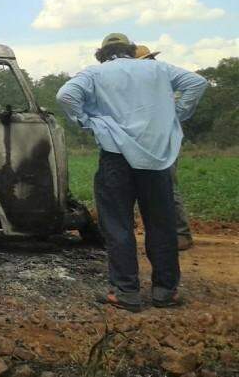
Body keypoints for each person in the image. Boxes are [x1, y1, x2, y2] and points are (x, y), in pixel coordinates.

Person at [56, 33, 207, 312]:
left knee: (118, 225)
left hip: (116, 157)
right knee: (161, 225)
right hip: (157, 160)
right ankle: (165, 292)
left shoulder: (95, 73)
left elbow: (66, 95)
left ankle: (126, 292)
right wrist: (177, 114)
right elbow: (196, 83)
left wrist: (88, 122)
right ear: (131, 50)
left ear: (102, 54)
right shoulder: (158, 68)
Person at [135, 45, 194, 250]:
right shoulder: (157, 80)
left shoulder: (159, 82)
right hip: (156, 139)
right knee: (159, 185)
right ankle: (169, 233)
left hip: (163, 140)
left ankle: (181, 234)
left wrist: (176, 115)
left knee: (167, 184)